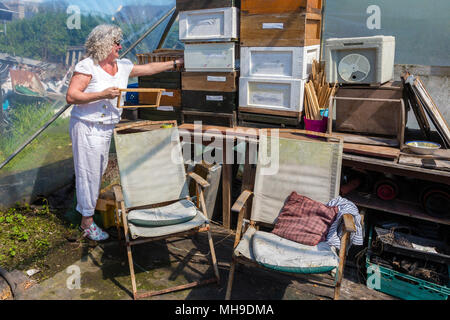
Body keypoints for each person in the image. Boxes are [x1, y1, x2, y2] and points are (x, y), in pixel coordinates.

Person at [66, 24, 184, 241]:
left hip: (105, 127)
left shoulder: (121, 66)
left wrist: (176, 63)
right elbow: (72, 96)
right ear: (104, 45)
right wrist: (102, 94)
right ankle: (87, 223)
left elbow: (147, 70)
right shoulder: (88, 66)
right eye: (116, 43)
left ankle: (88, 213)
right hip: (87, 126)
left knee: (97, 171)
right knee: (89, 174)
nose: (120, 46)